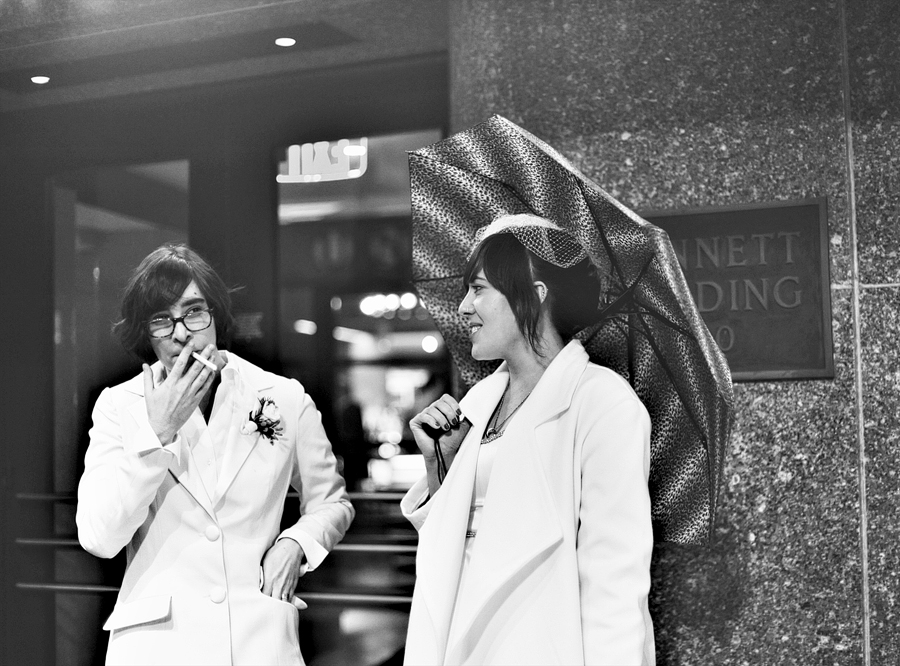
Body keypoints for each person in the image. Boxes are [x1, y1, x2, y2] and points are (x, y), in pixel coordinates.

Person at [76, 244, 354, 666]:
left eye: (193, 312)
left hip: (259, 640)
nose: (182, 332)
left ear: (215, 315)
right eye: (161, 319)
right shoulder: (119, 405)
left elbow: (333, 501)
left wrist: (297, 543)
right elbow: (99, 537)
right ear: (145, 332)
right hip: (158, 645)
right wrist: (158, 432)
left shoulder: (283, 396)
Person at [401, 214, 655, 665]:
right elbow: (455, 546)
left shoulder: (601, 404)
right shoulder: (478, 401)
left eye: (478, 289)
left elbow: (614, 586)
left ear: (534, 298)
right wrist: (440, 469)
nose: (463, 307)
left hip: (536, 644)